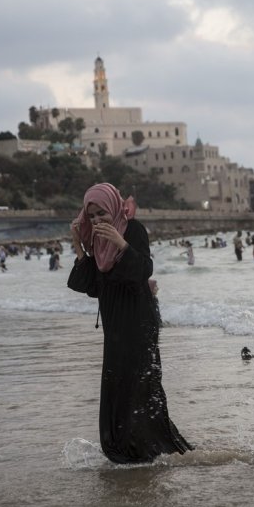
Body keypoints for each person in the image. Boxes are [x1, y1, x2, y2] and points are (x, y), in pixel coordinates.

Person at [67, 183, 192, 464]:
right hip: (114, 324)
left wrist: (120, 243)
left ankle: (149, 448)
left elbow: (143, 269)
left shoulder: (132, 230)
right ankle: (122, 448)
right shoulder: (95, 243)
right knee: (117, 383)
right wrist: (79, 247)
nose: (99, 221)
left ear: (114, 207)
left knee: (141, 385)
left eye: (103, 213)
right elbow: (92, 287)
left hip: (138, 320)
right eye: (93, 216)